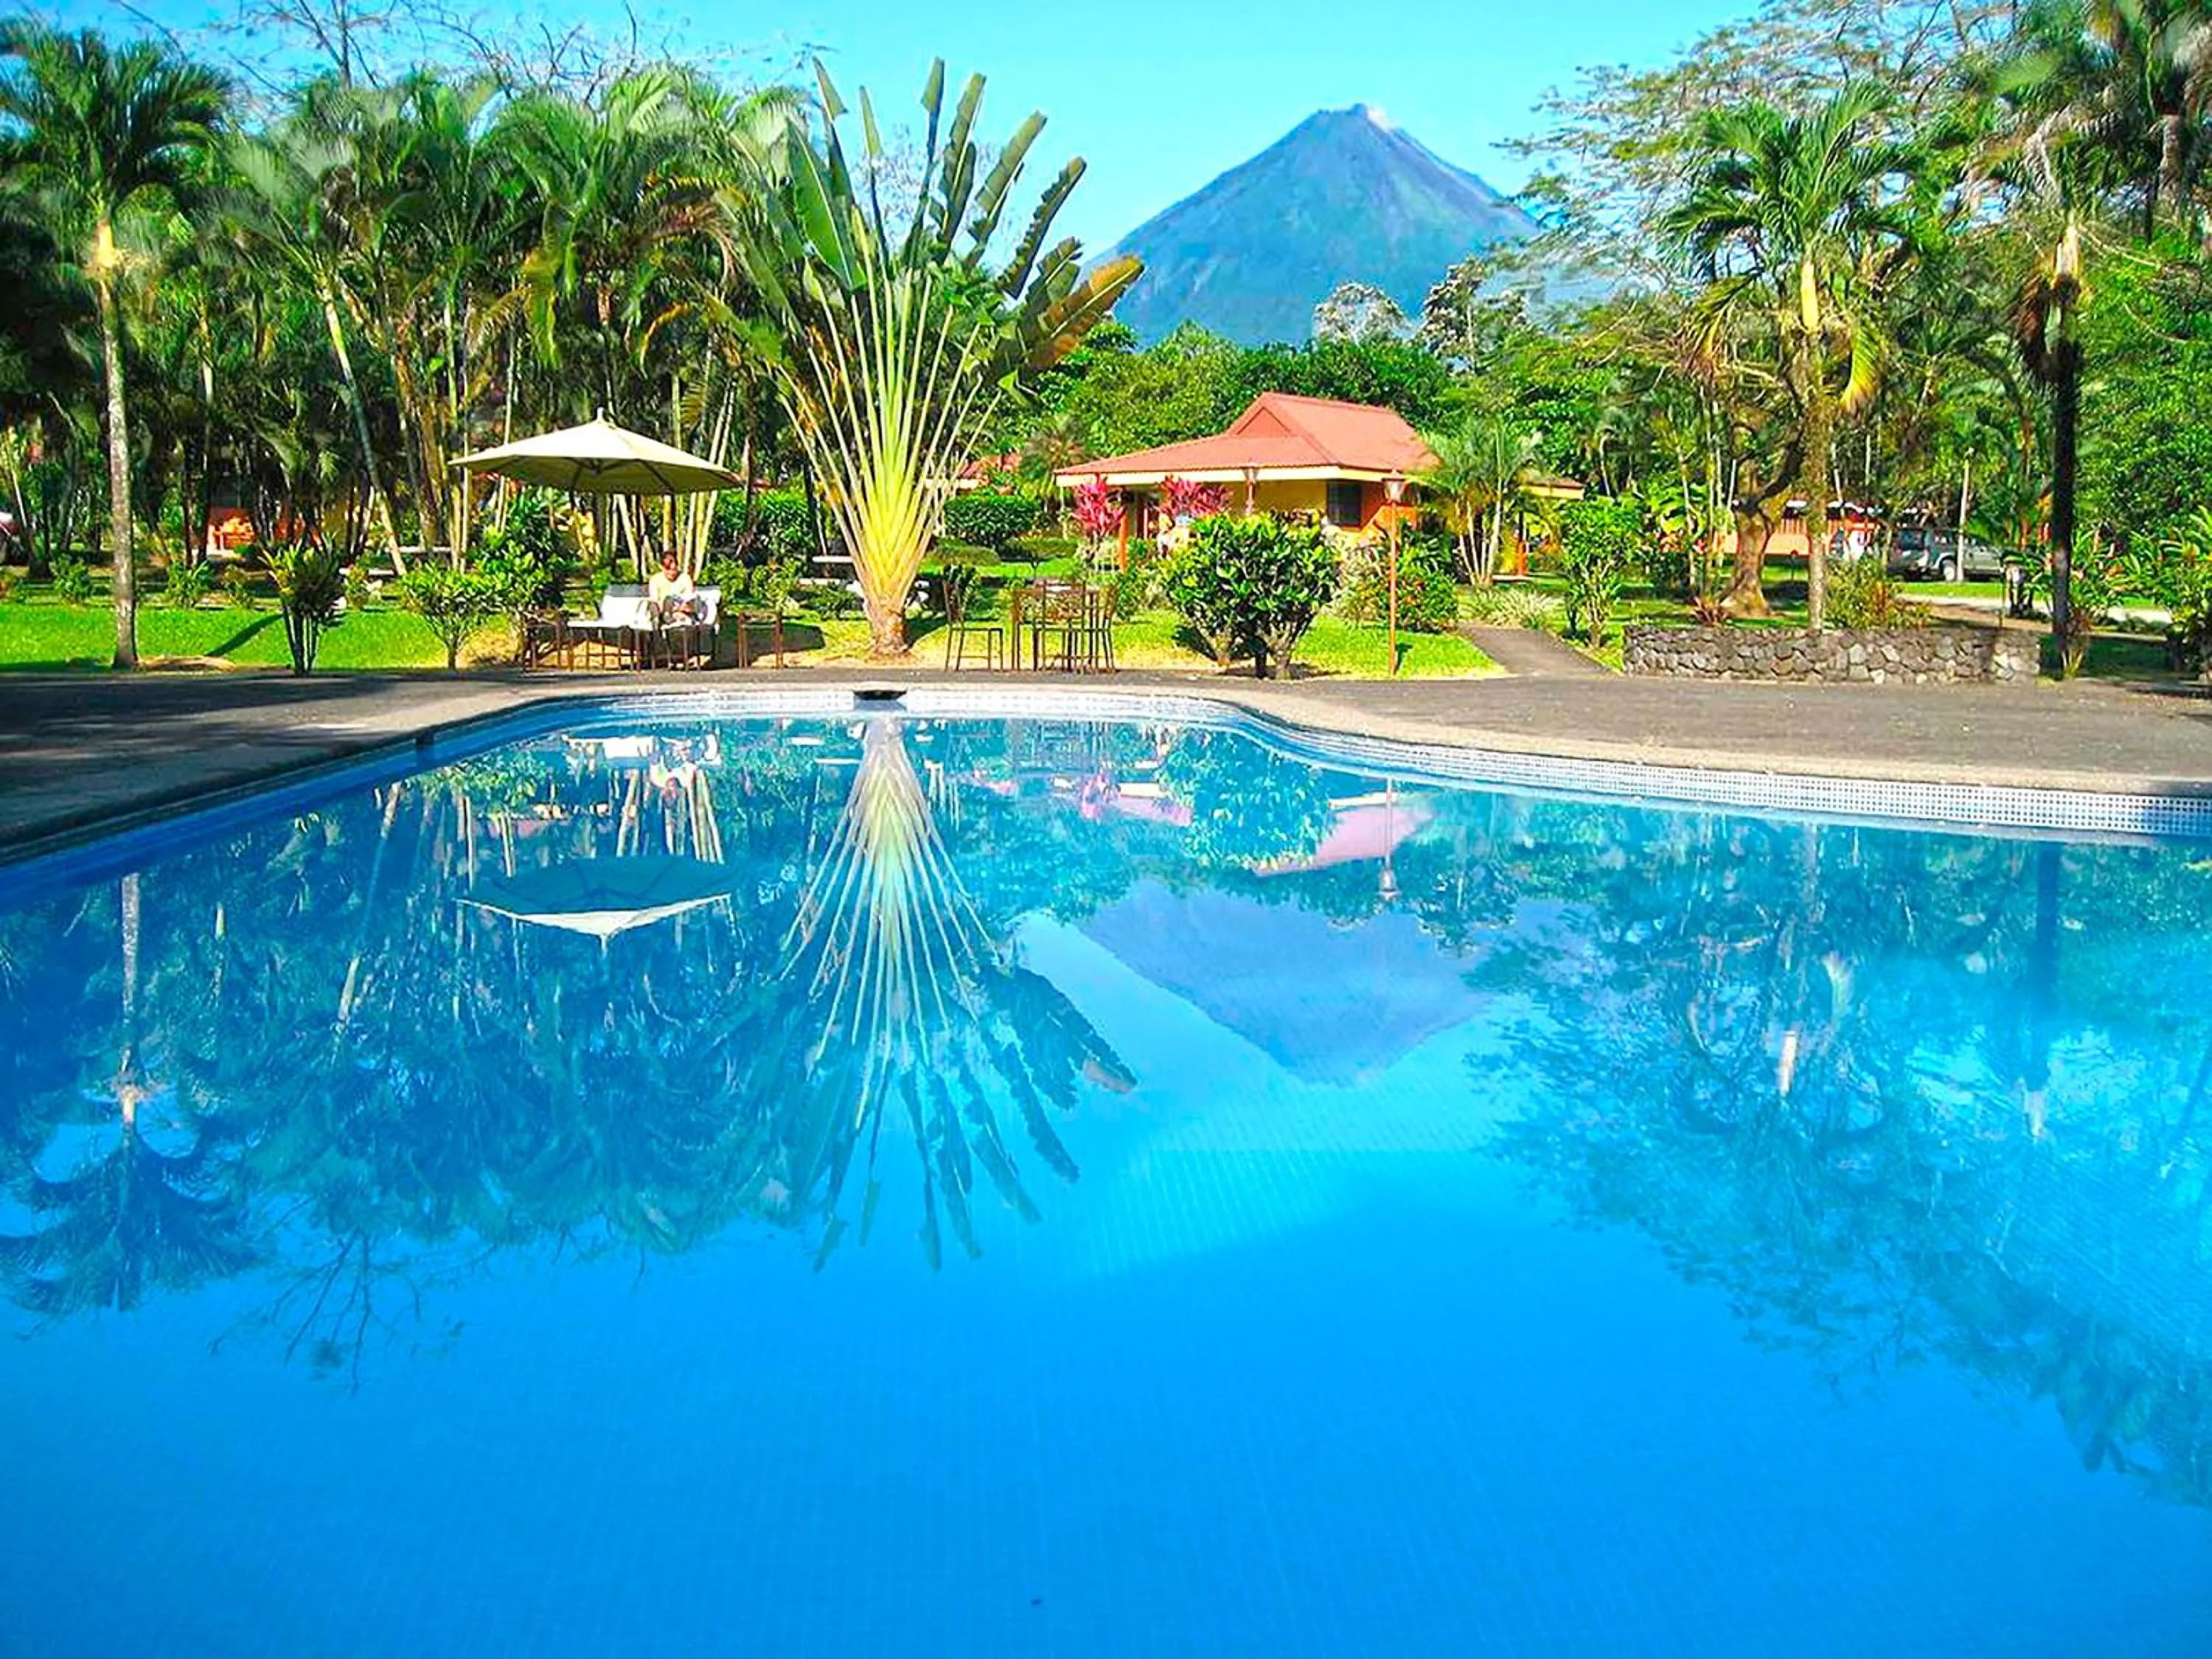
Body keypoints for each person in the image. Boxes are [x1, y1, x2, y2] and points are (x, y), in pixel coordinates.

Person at [648, 552, 703, 625]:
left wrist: (680, 608)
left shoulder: (685, 578)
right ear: (662, 567)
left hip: (682, 610)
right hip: (664, 610)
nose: (671, 573)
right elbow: (655, 600)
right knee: (659, 605)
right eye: (668, 570)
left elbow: (688, 598)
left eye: (674, 569)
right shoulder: (655, 579)